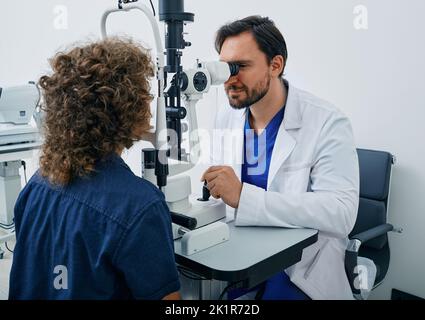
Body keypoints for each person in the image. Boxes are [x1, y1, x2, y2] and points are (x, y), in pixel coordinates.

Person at [9, 38, 180, 300]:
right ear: (127, 106)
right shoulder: (140, 206)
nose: (149, 100)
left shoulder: (36, 186)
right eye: (144, 92)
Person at [202, 16, 359, 300]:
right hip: (239, 254)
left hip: (299, 266)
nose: (229, 78)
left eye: (241, 67)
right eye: (225, 67)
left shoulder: (326, 121)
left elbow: (341, 212)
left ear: (276, 65)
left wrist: (243, 196)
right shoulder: (226, 117)